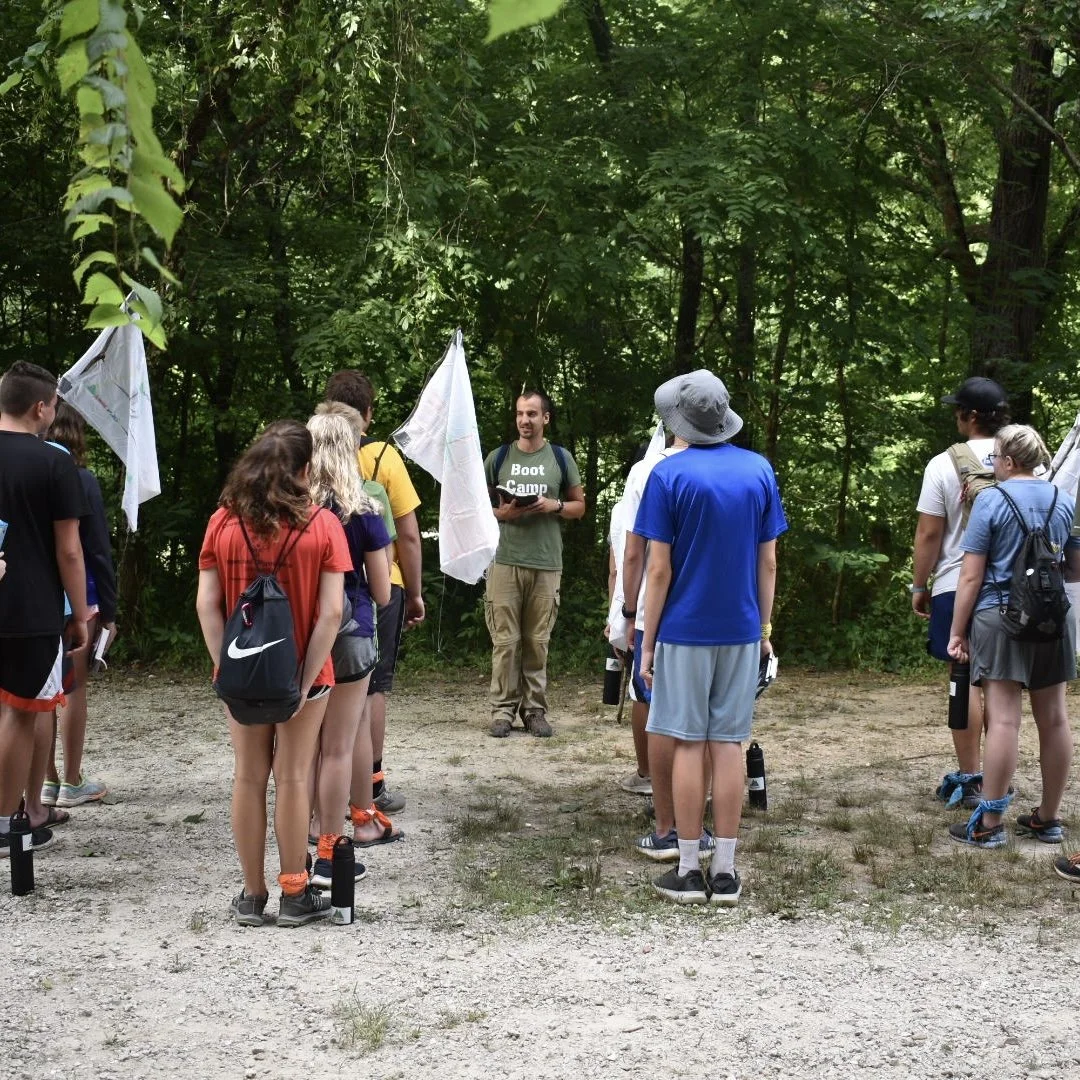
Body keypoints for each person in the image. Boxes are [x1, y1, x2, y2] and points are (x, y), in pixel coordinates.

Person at [636, 370, 786, 905]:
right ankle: (725, 871)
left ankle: (688, 867)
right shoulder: (759, 470)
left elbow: (658, 570)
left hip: (683, 630)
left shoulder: (668, 476)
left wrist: (647, 642)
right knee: (727, 744)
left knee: (687, 743)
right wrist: (764, 629)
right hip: (742, 628)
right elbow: (767, 561)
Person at [196, 420, 351, 927]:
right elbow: (331, 614)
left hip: (240, 675)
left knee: (247, 776)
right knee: (292, 777)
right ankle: (293, 893)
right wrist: (305, 682)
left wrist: (227, 668)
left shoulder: (223, 522)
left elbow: (207, 604)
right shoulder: (323, 526)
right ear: (306, 470)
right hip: (305, 674)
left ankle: (251, 893)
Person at [946, 424, 1080, 848]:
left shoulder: (991, 500)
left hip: (1000, 616)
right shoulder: (1065, 501)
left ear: (1006, 460)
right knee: (1055, 717)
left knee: (1004, 718)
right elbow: (1075, 569)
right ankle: (1049, 818)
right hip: (1054, 619)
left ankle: (989, 825)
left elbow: (970, 576)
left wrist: (957, 632)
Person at [324, 371, 424, 815]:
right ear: (367, 414)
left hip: (318, 593)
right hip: (377, 588)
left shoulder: (306, 458)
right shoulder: (384, 461)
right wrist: (416, 592)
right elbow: (409, 534)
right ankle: (371, 784)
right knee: (371, 687)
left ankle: (319, 787)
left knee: (323, 688)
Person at [0, 361, 89, 856]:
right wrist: (80, 612)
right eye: (54, 404)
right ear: (40, 408)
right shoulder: (54, 464)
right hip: (30, 610)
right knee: (18, 713)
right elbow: (70, 550)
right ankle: (4, 818)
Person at [305, 412, 396, 891]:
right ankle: (335, 835)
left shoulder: (295, 509)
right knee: (340, 745)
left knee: (305, 747)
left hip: (303, 638)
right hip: (353, 631)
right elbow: (383, 592)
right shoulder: (364, 512)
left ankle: (307, 828)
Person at [912, 376, 1010, 809]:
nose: (955, 415)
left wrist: (920, 583)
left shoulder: (942, 464)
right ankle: (999, 779)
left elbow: (930, 532)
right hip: (1014, 588)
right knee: (1000, 685)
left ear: (971, 417)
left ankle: (970, 777)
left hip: (956, 584)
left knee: (963, 679)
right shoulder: (1028, 461)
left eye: (958, 410)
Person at [483, 391, 586, 738]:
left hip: (546, 563)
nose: (524, 420)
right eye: (519, 414)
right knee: (505, 641)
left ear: (546, 419)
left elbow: (579, 507)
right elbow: (474, 509)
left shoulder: (560, 458)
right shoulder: (498, 458)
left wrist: (553, 506)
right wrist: (503, 514)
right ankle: (501, 711)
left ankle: (534, 710)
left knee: (537, 640)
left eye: (531, 414)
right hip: (504, 561)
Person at [41, 403, 116, 810]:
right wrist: (109, 610)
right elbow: (97, 550)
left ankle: (47, 780)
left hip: (34, 599)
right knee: (73, 688)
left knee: (43, 689)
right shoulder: (80, 479)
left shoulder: (25, 473)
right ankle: (71, 780)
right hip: (79, 598)